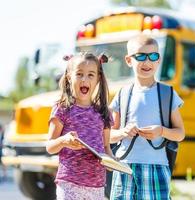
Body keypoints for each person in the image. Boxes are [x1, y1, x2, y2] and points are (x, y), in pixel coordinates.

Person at [109, 35, 185, 200]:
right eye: (141, 56)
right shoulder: (122, 94)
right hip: (124, 167)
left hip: (157, 167)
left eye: (153, 56)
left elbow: (180, 133)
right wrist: (123, 132)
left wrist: (161, 131)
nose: (147, 62)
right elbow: (108, 135)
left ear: (159, 60)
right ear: (129, 60)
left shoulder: (167, 93)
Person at [46, 52, 114, 200]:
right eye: (79, 74)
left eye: (90, 75)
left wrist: (113, 163)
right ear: (69, 77)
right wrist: (64, 141)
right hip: (69, 184)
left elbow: (107, 148)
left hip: (97, 186)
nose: (84, 79)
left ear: (98, 79)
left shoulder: (104, 113)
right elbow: (50, 146)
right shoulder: (62, 109)